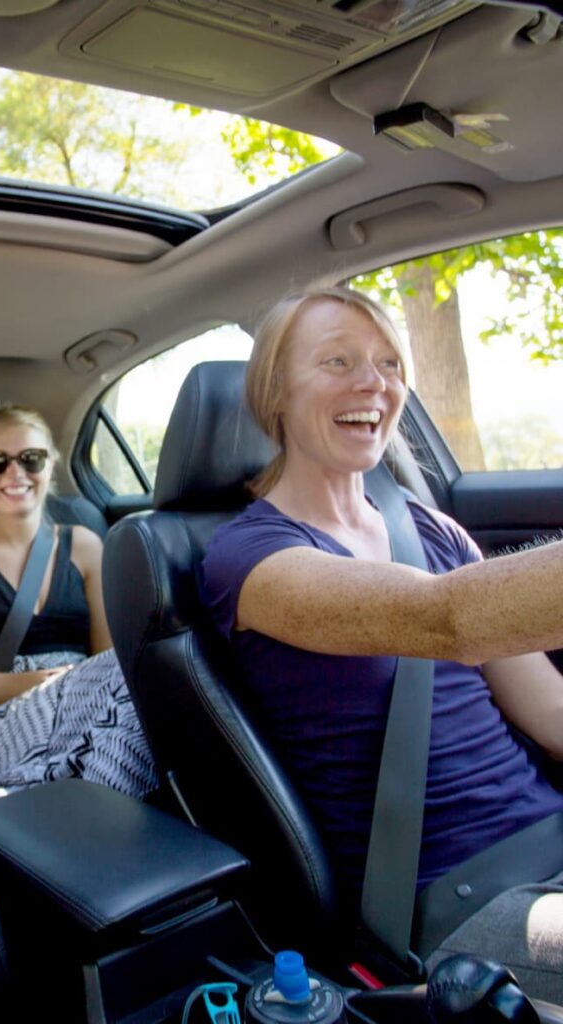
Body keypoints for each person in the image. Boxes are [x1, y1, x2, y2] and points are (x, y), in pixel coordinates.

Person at [201, 286, 563, 1002]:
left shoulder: (433, 530)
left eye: (390, 364)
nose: (374, 383)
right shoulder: (250, 560)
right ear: (274, 389)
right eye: (338, 361)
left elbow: (550, 711)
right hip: (457, 899)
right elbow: (448, 622)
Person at [0, 405, 157, 799]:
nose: (15, 474)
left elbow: (109, 660)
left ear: (51, 464)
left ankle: (89, 809)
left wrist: (75, 687)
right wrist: (37, 683)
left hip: (85, 707)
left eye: (30, 459)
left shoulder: (84, 545)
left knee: (142, 676)